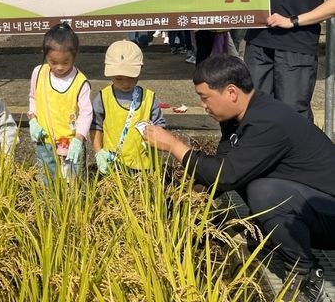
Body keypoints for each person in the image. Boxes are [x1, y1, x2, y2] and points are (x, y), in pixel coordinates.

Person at [142, 55, 335, 302]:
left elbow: (225, 176)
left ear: (231, 92)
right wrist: (188, 201)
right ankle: (276, 238)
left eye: (204, 97)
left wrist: (174, 146)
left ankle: (307, 274)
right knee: (250, 180)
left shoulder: (267, 121)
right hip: (311, 204)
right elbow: (221, 167)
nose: (203, 106)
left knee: (262, 192)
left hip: (329, 212)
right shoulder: (237, 119)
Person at [28, 23, 92, 182]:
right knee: (48, 184)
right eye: (53, 62)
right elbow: (33, 97)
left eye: (65, 62)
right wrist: (33, 120)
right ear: (45, 55)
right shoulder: (39, 73)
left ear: (75, 56)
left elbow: (86, 113)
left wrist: (79, 138)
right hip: (45, 141)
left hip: (71, 144)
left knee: (75, 186)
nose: (59, 67)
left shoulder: (80, 82)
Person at [90, 39, 165, 175]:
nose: (125, 83)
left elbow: (160, 126)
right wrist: (98, 152)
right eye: (119, 78)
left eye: (131, 77)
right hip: (112, 165)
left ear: (140, 69)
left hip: (144, 166)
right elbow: (96, 126)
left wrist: (154, 137)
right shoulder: (103, 97)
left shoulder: (149, 98)